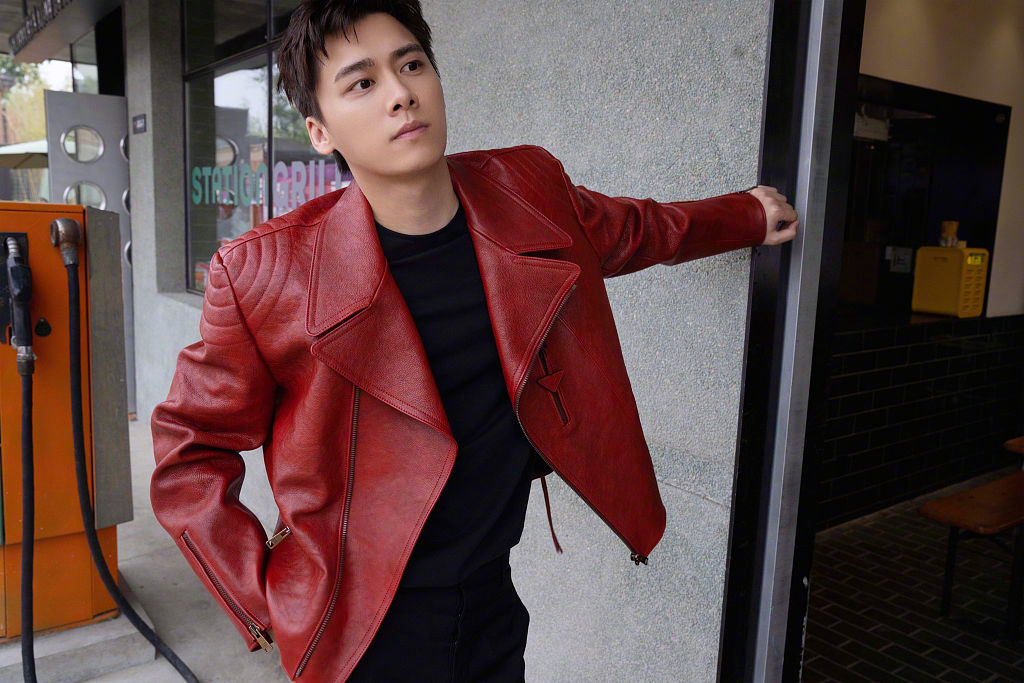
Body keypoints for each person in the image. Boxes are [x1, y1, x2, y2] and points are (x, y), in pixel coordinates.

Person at [150, 1, 799, 681]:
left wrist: (746, 216)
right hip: (363, 632)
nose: (400, 94)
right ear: (320, 131)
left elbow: (631, 229)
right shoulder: (265, 272)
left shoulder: (525, 191)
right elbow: (189, 448)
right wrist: (269, 600)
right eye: (362, 82)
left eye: (411, 65)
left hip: (492, 601)